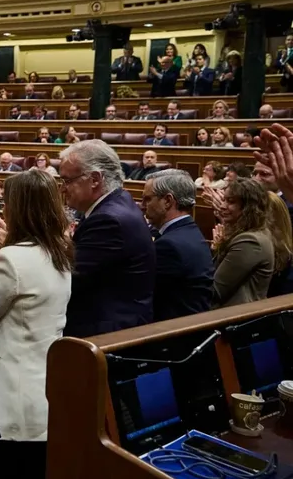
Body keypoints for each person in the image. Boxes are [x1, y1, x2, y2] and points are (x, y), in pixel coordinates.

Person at [0, 170, 74, 479]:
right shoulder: (60, 253)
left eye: (6, 204)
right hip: (42, 395)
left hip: (7, 402)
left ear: (19, 209)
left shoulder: (11, 259)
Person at [57, 140, 155, 337]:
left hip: (106, 333)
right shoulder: (119, 202)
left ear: (94, 179)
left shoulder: (108, 220)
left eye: (67, 181)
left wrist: (17, 250)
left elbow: (68, 279)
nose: (62, 189)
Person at [140, 170, 214, 321]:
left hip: (172, 330)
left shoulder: (169, 246)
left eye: (147, 199)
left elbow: (139, 290)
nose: (142, 206)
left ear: (168, 201)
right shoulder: (189, 231)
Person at [211, 178, 274, 307]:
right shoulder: (252, 232)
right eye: (224, 200)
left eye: (231, 201)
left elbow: (215, 291)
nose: (222, 206)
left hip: (234, 314)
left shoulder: (250, 241)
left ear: (249, 207)